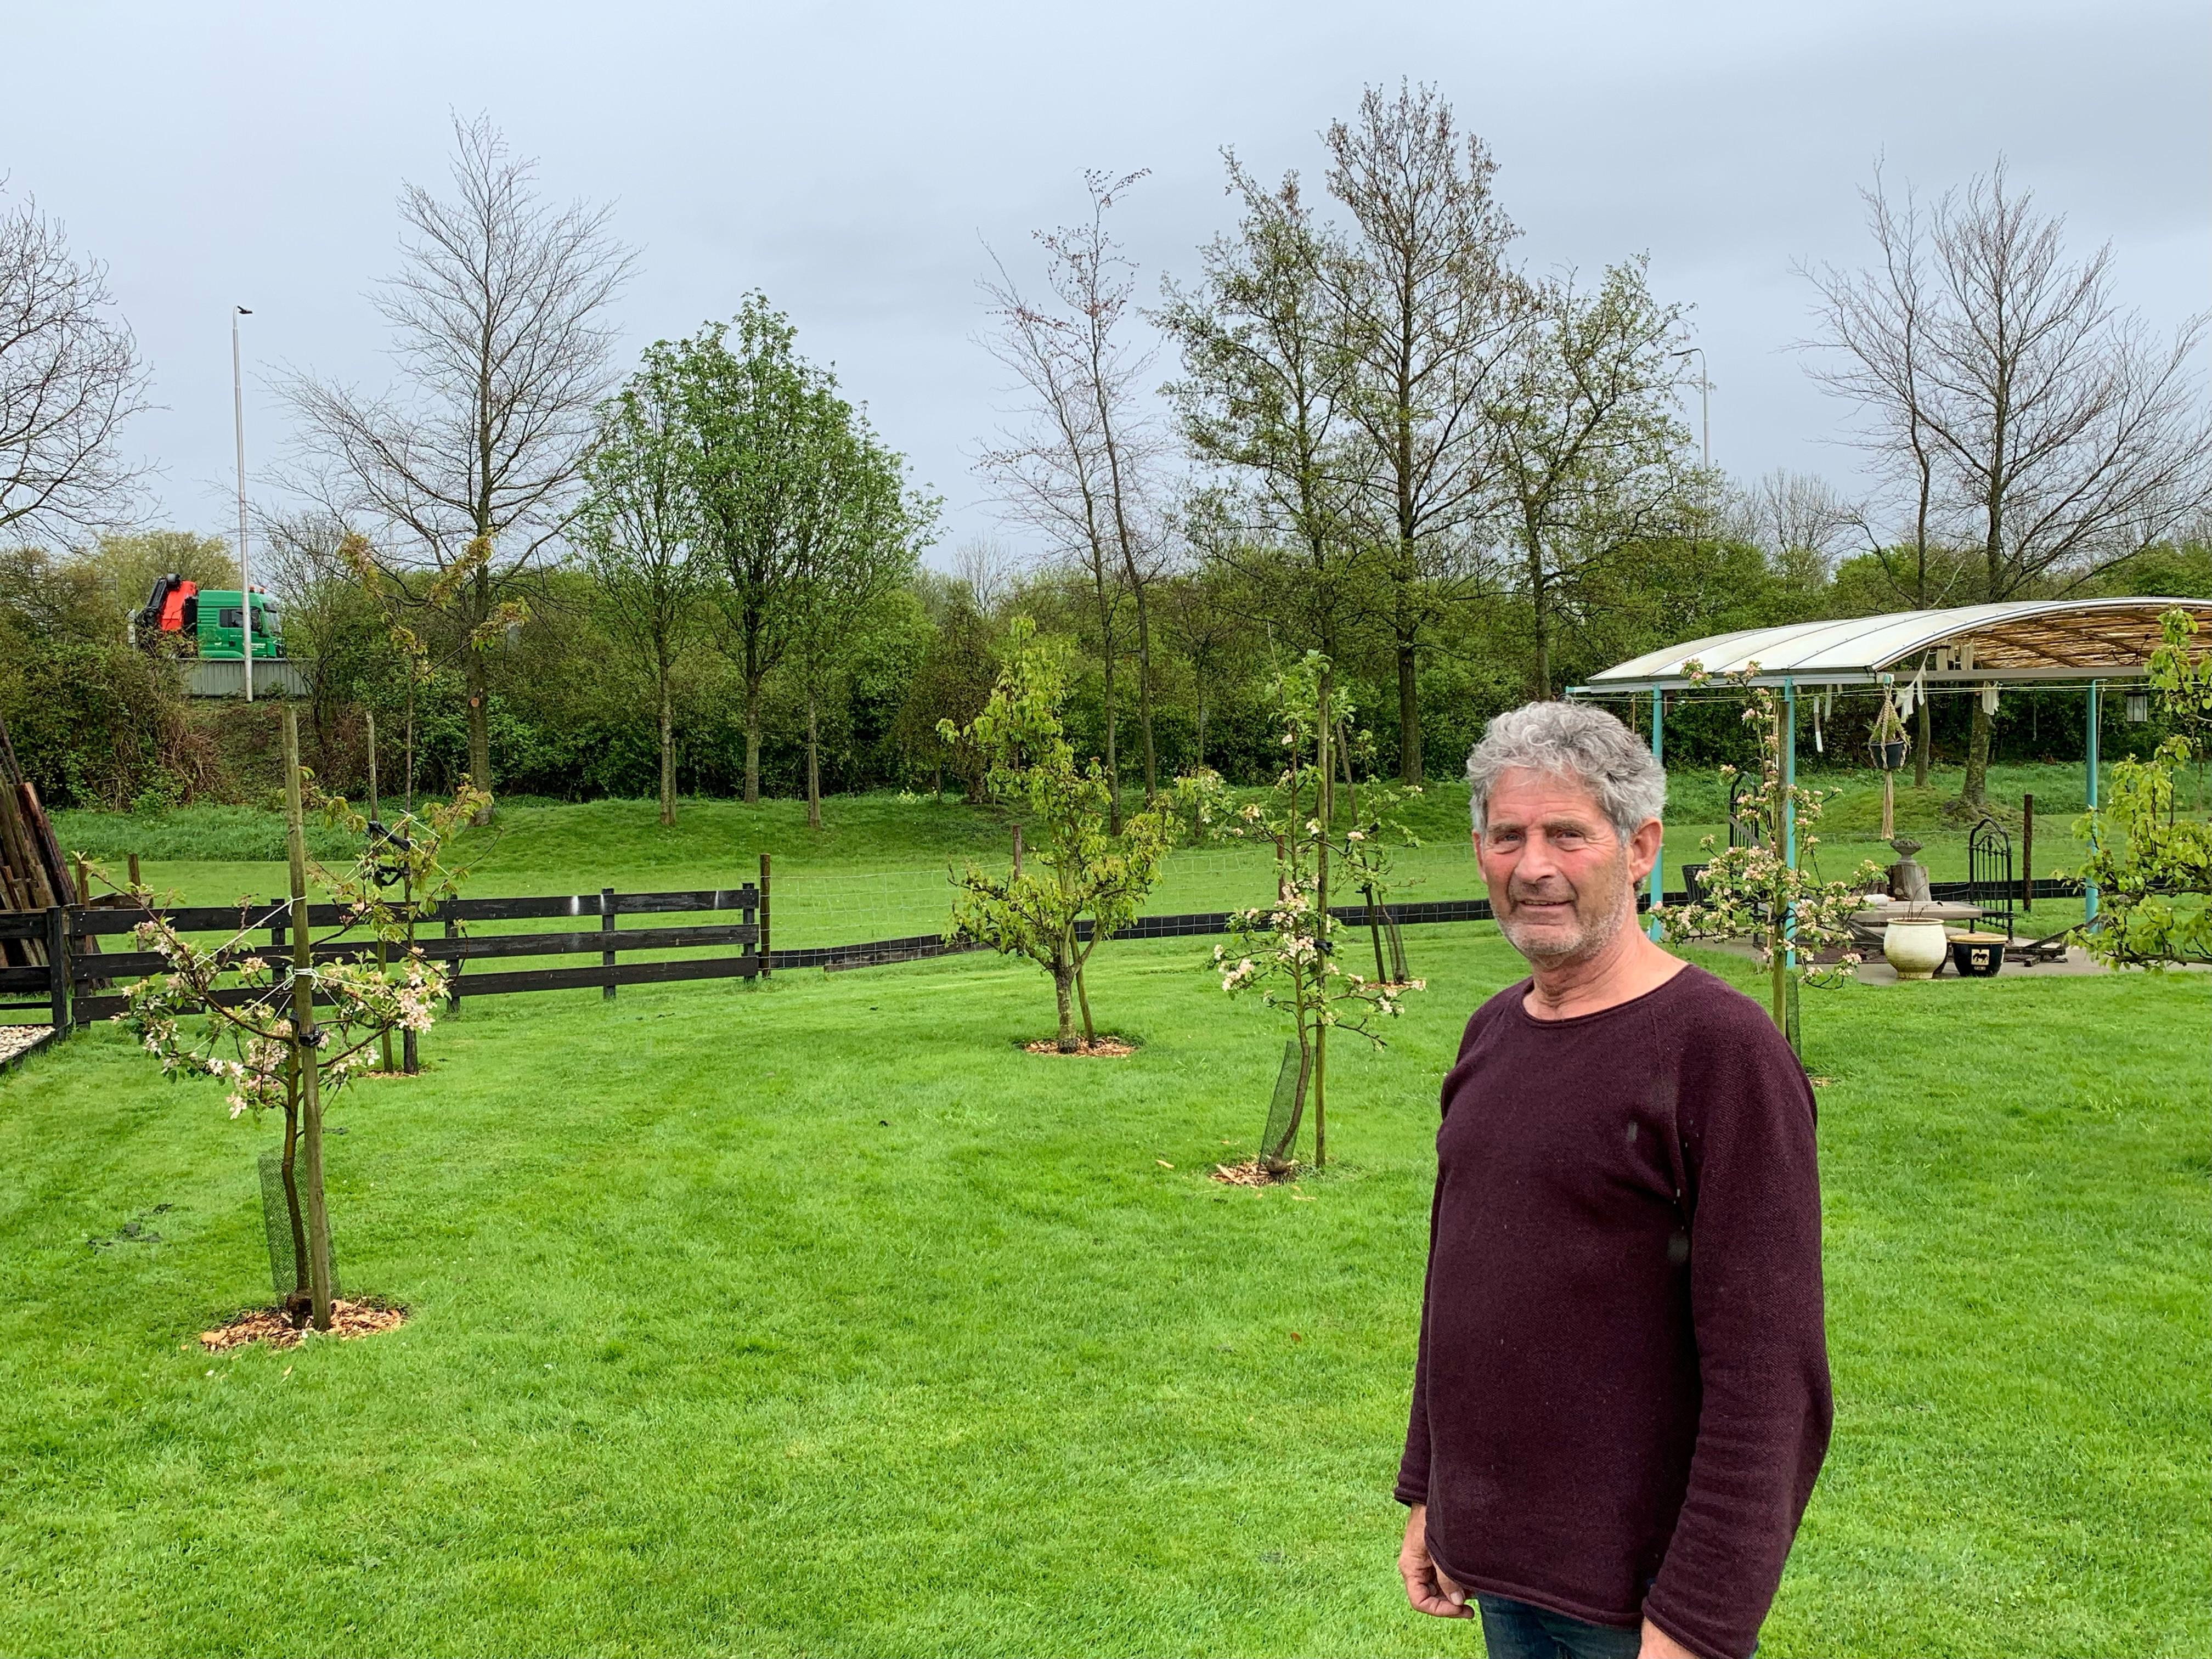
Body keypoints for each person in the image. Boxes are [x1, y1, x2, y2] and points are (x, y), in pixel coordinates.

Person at [1395, 702, 1832, 1659]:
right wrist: (1434, 1489)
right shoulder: (1490, 1035)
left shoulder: (1721, 1053)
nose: (1533, 866)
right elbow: (1459, 1281)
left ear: (1640, 848)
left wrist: (1699, 1623)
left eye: (1567, 834)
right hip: (1504, 1572)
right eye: (1506, 836)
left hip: (1638, 1601)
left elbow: (1771, 1378)